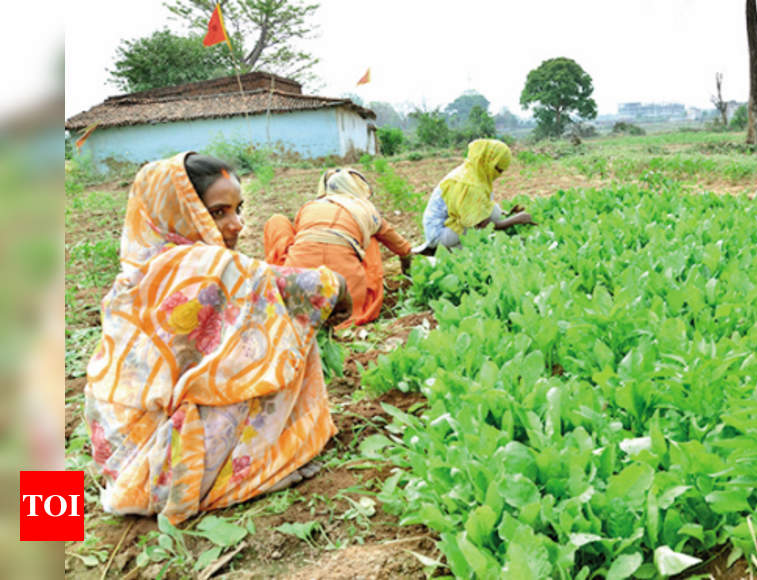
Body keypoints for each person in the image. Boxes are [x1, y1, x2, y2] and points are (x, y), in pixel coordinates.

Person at [84, 152, 353, 524]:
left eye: (238, 209)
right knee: (281, 330)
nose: (237, 224)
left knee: (261, 330)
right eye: (218, 212)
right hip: (166, 468)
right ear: (181, 212)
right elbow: (296, 286)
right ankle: (260, 470)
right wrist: (337, 285)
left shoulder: (139, 269)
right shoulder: (193, 264)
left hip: (121, 458)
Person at [264, 168, 413, 328]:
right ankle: (369, 297)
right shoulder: (367, 210)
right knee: (370, 236)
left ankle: (277, 285)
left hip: (297, 289)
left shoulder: (309, 207)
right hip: (347, 302)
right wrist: (408, 271)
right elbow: (403, 248)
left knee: (278, 222)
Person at [415, 138, 535, 254]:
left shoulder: (474, 170)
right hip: (440, 232)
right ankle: (451, 250)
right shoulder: (469, 185)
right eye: (498, 170)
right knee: (477, 239)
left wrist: (508, 215)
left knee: (495, 211)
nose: (499, 175)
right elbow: (481, 226)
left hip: (447, 222)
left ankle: (455, 247)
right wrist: (516, 220)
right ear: (489, 162)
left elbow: (484, 205)